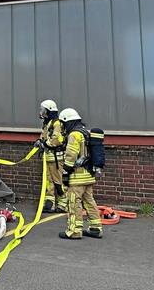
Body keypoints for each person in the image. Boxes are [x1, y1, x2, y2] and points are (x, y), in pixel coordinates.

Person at [58, 108, 103, 240]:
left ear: (68, 122)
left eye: (63, 123)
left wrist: (65, 173)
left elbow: (71, 155)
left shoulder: (74, 135)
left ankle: (74, 231)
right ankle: (96, 228)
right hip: (89, 175)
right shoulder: (85, 133)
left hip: (77, 177)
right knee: (89, 201)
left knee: (74, 202)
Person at [34, 99, 66, 213]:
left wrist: (44, 144)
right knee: (49, 182)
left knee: (58, 182)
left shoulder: (56, 123)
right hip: (47, 158)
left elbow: (56, 140)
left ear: (49, 110)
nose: (41, 112)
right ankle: (49, 204)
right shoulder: (47, 123)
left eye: (43, 110)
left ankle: (63, 204)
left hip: (56, 158)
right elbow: (44, 136)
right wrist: (39, 141)